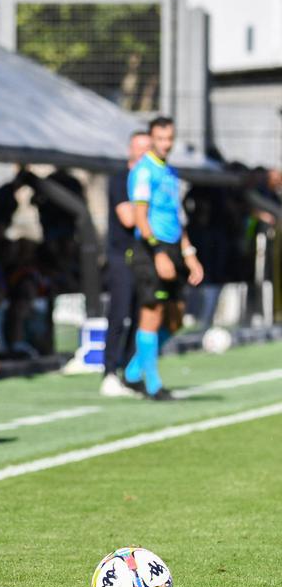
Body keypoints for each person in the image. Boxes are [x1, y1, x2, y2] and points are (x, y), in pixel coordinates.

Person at [122, 117, 203, 400]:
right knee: (152, 313)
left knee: (175, 318)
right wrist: (158, 253)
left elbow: (177, 219)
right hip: (150, 248)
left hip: (172, 248)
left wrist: (189, 254)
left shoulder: (170, 173)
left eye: (170, 139)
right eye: (160, 139)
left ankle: (132, 372)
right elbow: (141, 218)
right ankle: (153, 385)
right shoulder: (144, 172)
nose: (165, 144)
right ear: (152, 139)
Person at [100, 131, 151, 397]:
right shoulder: (121, 179)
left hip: (144, 256)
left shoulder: (151, 180)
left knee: (141, 314)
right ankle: (109, 372)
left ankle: (129, 372)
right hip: (121, 255)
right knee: (118, 314)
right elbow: (129, 218)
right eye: (139, 147)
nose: (143, 153)